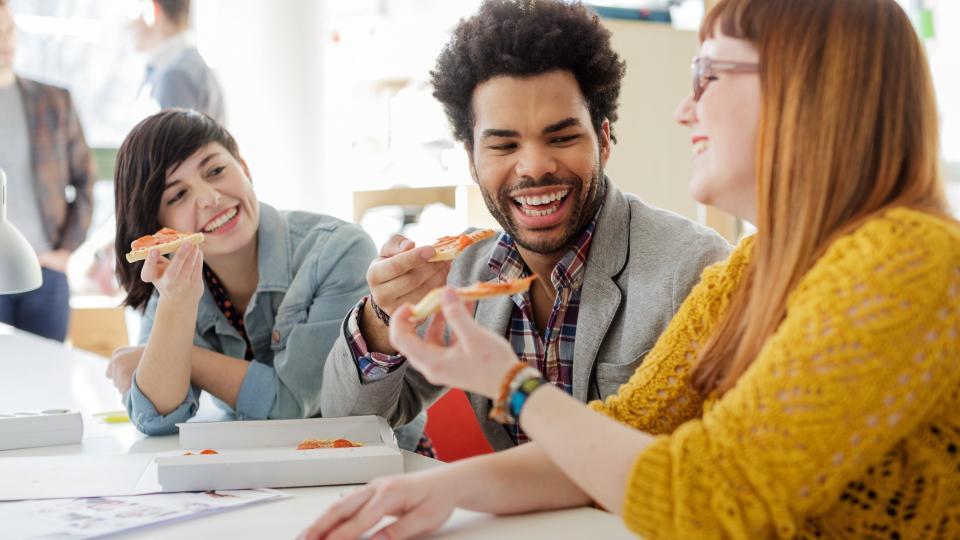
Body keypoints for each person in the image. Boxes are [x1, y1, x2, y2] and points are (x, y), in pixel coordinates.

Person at [301, 0, 960, 538]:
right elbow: (616, 437)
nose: (683, 109)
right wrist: (439, 491)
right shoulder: (755, 269)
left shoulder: (902, 257)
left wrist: (506, 381)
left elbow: (704, 490)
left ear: (811, 89)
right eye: (503, 142)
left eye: (709, 74)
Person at [320, 0, 731, 451]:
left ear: (605, 140)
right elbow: (349, 422)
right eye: (503, 145)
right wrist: (381, 318)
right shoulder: (462, 276)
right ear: (471, 161)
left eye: (561, 137)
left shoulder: (694, 268)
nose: (534, 167)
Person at [105, 110, 427, 452]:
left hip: (376, 466)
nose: (209, 197)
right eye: (177, 196)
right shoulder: (178, 280)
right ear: (160, 226)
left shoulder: (337, 250)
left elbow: (295, 408)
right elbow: (153, 418)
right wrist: (175, 306)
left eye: (215, 170)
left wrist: (185, 357)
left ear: (244, 168)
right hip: (260, 471)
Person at [0, 0, 94, 341]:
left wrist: (66, 251)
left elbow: (85, 181)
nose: (5, 41)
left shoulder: (54, 101)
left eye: (9, 30)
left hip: (46, 272)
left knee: (47, 380)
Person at [131, 0, 226, 124]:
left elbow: (172, 142)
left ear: (152, 11)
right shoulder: (188, 64)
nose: (131, 23)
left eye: (136, 12)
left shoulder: (175, 75)